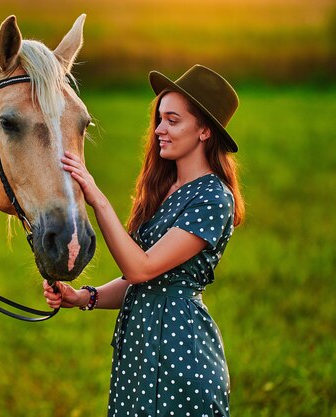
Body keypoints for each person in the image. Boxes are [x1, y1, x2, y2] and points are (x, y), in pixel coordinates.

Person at [43, 64, 245, 416]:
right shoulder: (165, 189)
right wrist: (83, 297)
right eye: (159, 118)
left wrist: (96, 197)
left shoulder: (213, 197)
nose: (159, 130)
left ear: (204, 131)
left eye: (172, 120)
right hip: (138, 354)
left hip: (180, 358)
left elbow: (141, 268)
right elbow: (143, 284)